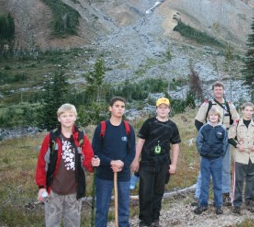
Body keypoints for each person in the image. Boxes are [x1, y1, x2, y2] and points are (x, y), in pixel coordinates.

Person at [35, 103, 99, 227]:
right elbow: (42, 164)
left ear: (75, 117)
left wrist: (93, 163)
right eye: (64, 116)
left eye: (71, 115)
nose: (68, 118)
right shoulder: (51, 138)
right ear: (59, 118)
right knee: (52, 223)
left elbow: (88, 162)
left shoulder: (81, 137)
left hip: (74, 191)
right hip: (53, 190)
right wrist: (41, 187)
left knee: (73, 224)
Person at [131, 98, 181, 227]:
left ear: (169, 109)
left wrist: (174, 164)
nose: (163, 110)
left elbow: (175, 145)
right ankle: (144, 220)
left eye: (166, 107)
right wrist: (136, 160)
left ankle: (155, 218)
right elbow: (141, 141)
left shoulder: (172, 126)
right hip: (147, 163)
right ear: (156, 109)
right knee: (145, 192)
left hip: (163, 163)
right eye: (160, 107)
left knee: (158, 192)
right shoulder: (148, 123)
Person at [193, 81, 239, 206]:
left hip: (224, 142)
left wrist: (231, 136)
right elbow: (198, 122)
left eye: (220, 89)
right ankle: (198, 195)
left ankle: (225, 194)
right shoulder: (207, 105)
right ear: (213, 91)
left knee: (225, 168)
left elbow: (237, 121)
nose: (218, 91)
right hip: (209, 144)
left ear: (223, 90)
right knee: (204, 170)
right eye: (216, 89)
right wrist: (207, 136)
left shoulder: (229, 105)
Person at [92, 96, 136, 227]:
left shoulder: (128, 128)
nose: (120, 109)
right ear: (110, 108)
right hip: (104, 175)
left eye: (122, 107)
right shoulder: (102, 127)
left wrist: (122, 163)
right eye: (117, 106)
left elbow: (131, 152)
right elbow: (96, 150)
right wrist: (111, 162)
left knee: (124, 208)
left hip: (123, 175)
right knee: (102, 208)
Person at [228, 102, 254, 214]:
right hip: (240, 156)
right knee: (238, 181)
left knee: (251, 180)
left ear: (253, 112)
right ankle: (237, 204)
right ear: (242, 111)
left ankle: (250, 202)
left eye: (251, 110)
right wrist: (238, 145)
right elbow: (230, 138)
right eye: (246, 110)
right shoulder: (237, 123)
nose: (248, 112)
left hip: (252, 157)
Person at [194, 106, 228, 215]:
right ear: (209, 116)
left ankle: (218, 205)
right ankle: (203, 204)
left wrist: (220, 154)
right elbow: (198, 141)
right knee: (204, 182)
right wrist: (202, 152)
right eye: (211, 115)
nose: (213, 117)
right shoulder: (204, 128)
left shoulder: (222, 129)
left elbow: (225, 144)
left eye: (215, 115)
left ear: (219, 117)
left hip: (217, 160)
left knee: (217, 182)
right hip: (205, 159)